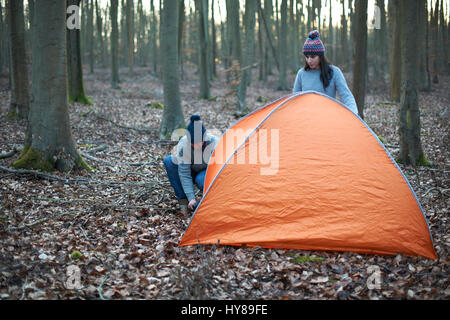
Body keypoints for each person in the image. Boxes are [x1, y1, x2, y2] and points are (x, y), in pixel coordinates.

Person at [293, 30, 359, 115]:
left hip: (328, 117)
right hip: (307, 118)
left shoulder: (334, 72)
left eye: (313, 57)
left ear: (320, 56)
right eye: (307, 57)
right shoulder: (301, 73)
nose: (309, 60)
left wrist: (354, 114)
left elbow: (346, 96)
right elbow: (294, 99)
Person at [163, 115, 219, 213]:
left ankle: (210, 202)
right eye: (193, 144)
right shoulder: (183, 145)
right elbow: (184, 174)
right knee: (169, 161)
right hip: (191, 169)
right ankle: (184, 202)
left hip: (208, 171)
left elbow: (220, 169)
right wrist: (191, 198)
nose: (196, 146)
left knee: (200, 179)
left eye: (199, 142)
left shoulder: (214, 143)